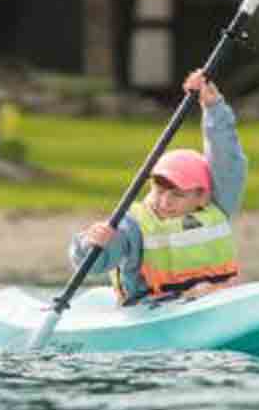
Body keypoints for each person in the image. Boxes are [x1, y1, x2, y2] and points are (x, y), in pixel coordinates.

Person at [69, 68, 249, 305]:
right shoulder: (132, 225)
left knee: (206, 291)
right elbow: (96, 264)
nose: (164, 202)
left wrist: (213, 107)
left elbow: (227, 161)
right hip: (151, 310)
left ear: (201, 196)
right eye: (159, 190)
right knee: (201, 292)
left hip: (210, 299)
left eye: (177, 195)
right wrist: (92, 244)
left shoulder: (218, 205)